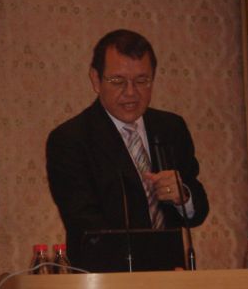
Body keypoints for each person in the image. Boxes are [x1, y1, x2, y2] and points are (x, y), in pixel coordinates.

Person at [46, 29, 209, 268]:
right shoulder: (71, 139)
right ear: (95, 80)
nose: (131, 92)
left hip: (170, 275)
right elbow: (83, 223)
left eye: (142, 81)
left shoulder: (170, 128)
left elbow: (199, 210)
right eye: (118, 81)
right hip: (104, 278)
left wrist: (182, 196)